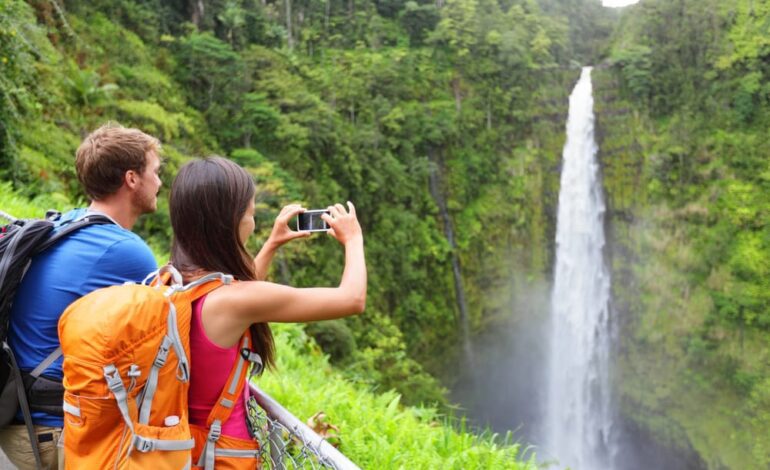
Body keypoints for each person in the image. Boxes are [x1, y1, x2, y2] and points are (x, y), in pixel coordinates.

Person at [168, 157, 366, 465]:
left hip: (181, 449)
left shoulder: (173, 280)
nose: (253, 222)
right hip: (222, 454)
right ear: (231, 223)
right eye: (250, 213)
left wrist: (271, 245)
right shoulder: (234, 301)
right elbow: (352, 299)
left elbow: (239, 301)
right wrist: (353, 239)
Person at [0, 123, 162, 469]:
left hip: (20, 418)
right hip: (54, 434)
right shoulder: (127, 252)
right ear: (132, 179)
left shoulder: (65, 223)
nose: (160, 183)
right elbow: (176, 328)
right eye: (155, 172)